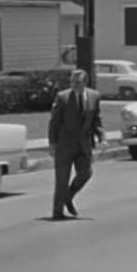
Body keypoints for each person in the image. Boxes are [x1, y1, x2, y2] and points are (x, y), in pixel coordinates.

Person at [47, 68, 107, 220]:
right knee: (62, 179)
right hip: (65, 145)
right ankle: (58, 212)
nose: (74, 85)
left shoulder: (94, 96)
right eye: (72, 81)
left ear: (85, 82)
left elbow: (96, 120)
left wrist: (102, 137)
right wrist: (52, 143)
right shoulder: (63, 97)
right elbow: (54, 122)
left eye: (78, 82)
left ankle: (68, 196)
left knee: (86, 173)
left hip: (84, 144)